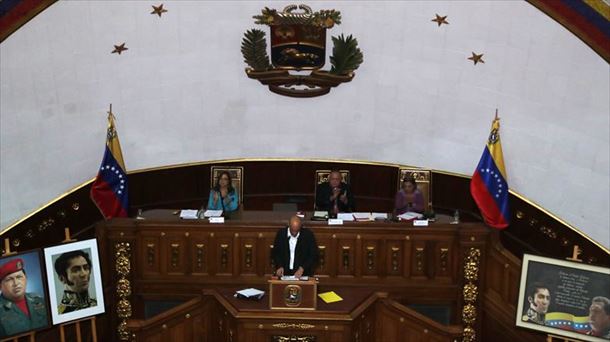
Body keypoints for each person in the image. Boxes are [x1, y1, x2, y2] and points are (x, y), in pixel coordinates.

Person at [0, 258, 48, 338]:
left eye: (19, 277)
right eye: (9, 279)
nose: (16, 283)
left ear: (26, 278)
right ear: (0, 285)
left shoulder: (39, 300)